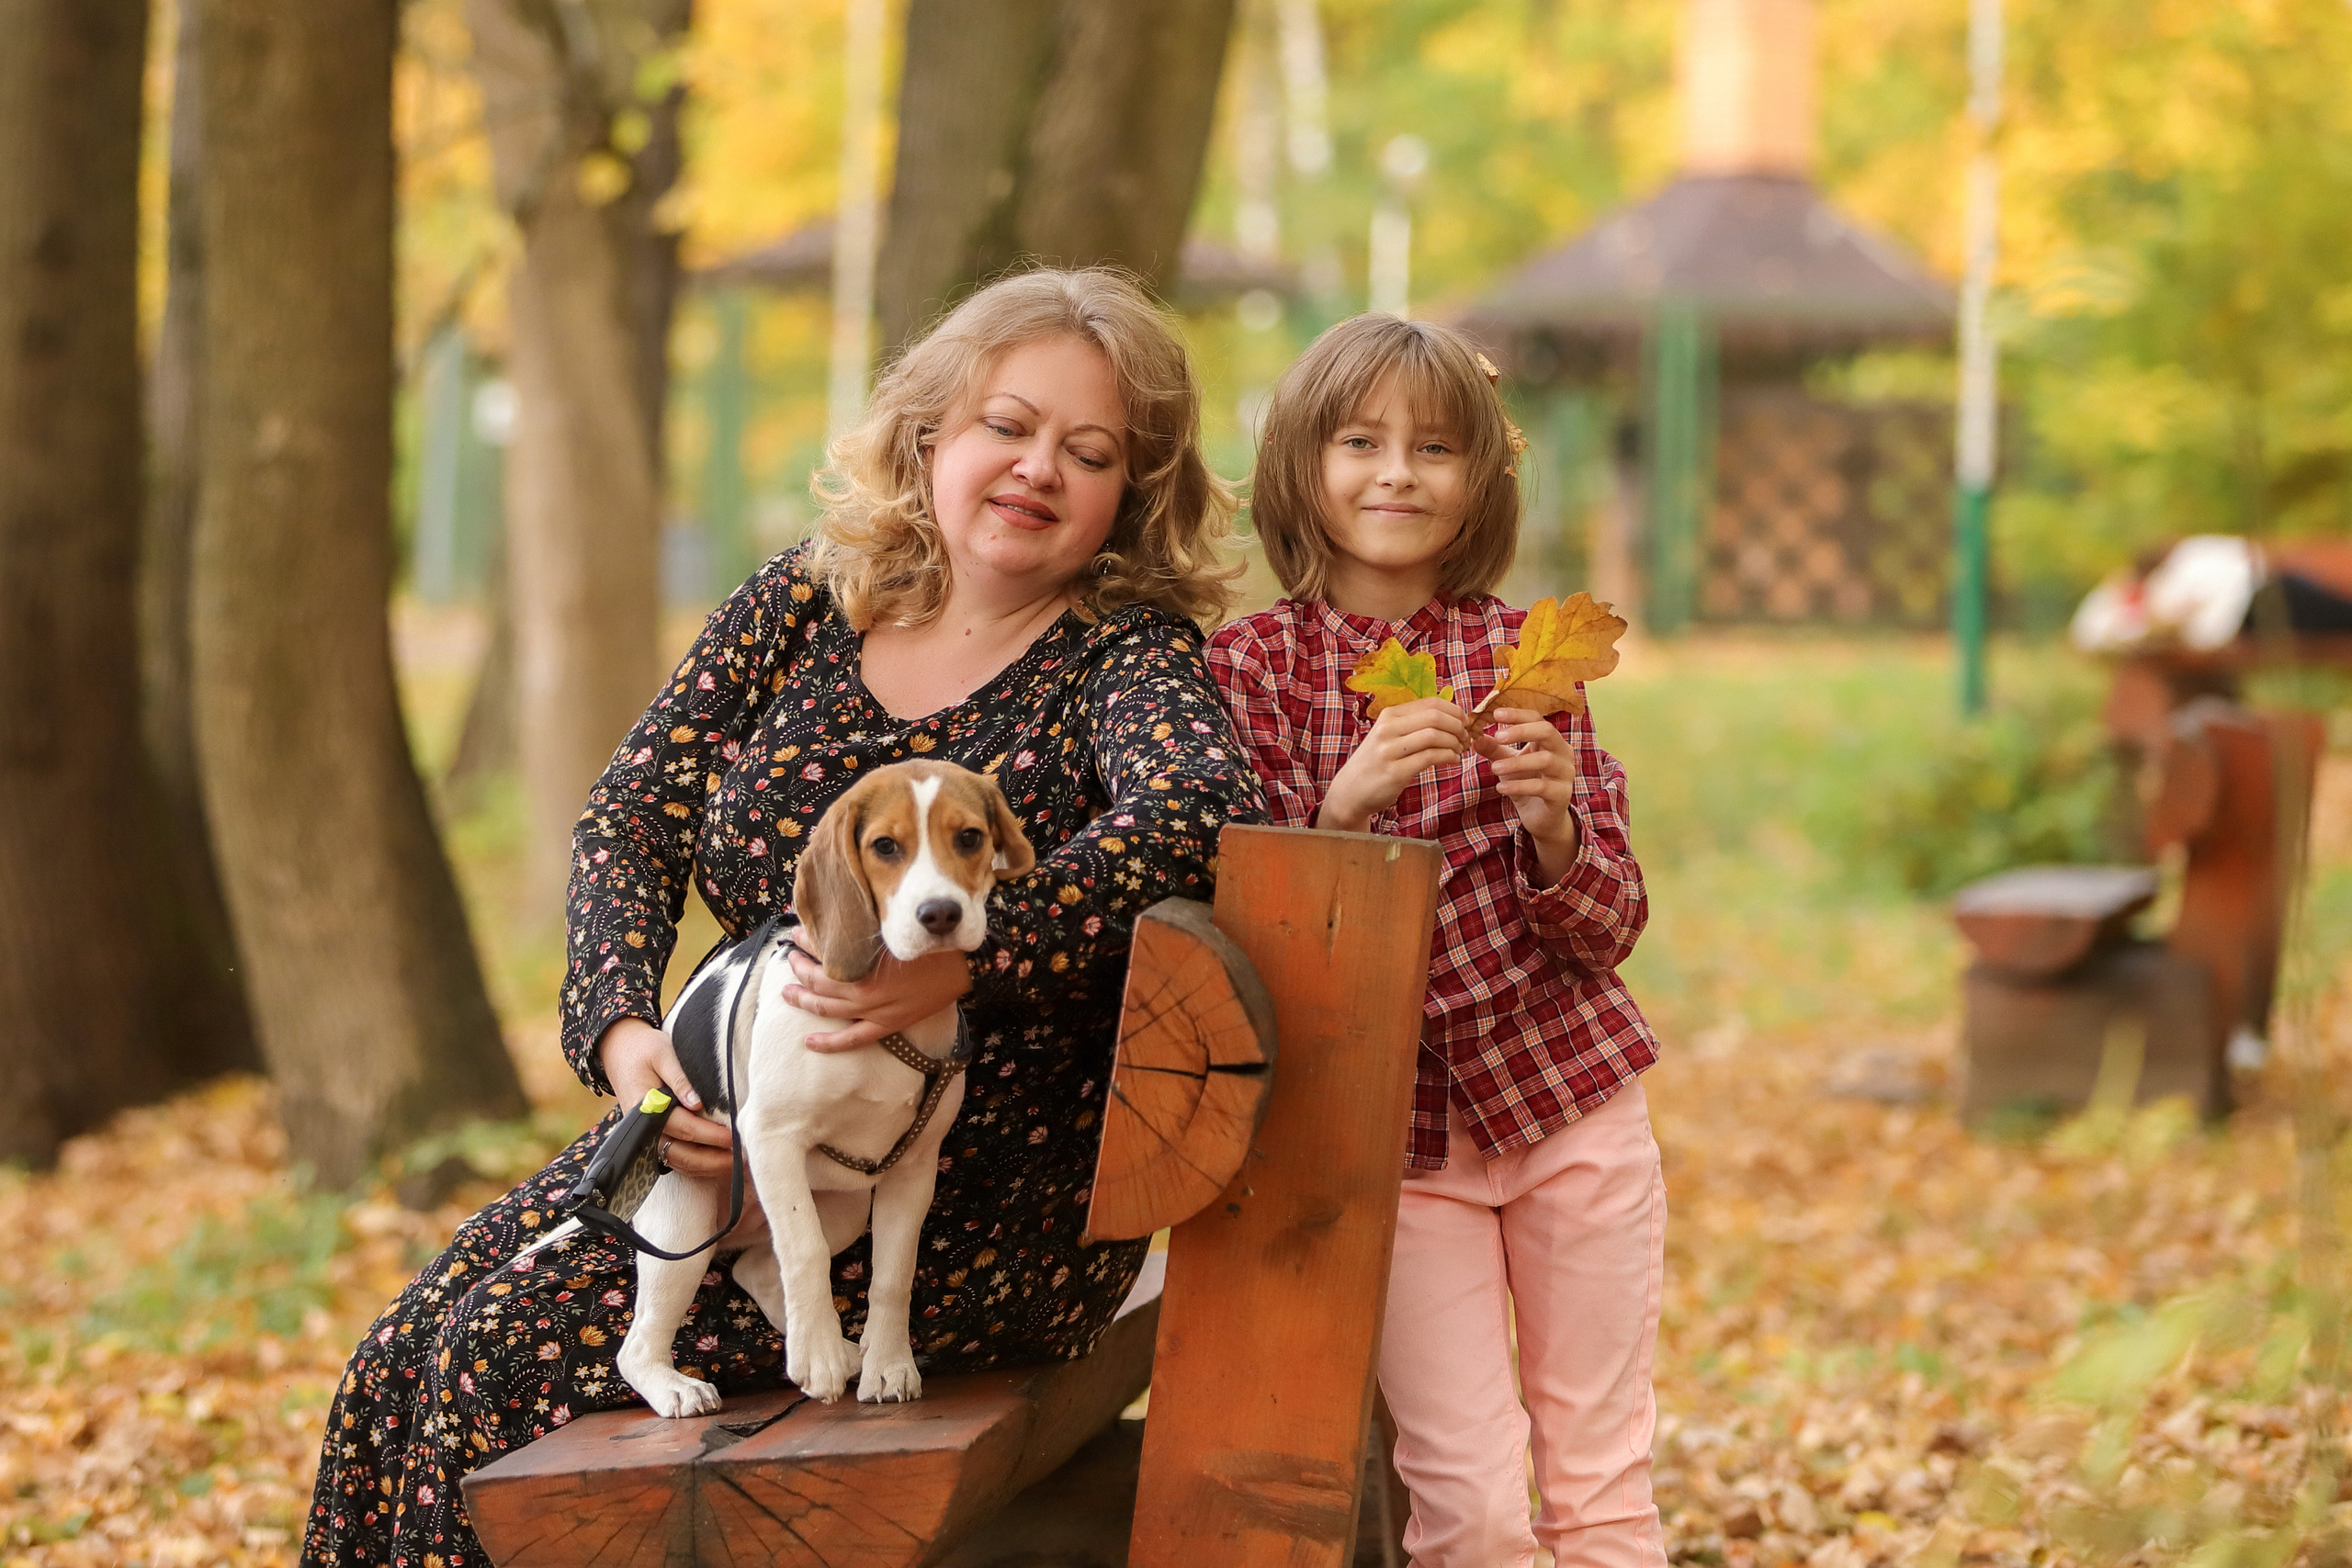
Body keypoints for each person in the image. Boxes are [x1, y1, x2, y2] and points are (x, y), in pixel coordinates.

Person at [302, 266, 1268, 1568]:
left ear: (1129, 494)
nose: (1038, 467)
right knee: (401, 1353)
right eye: (1007, 425)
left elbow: (1197, 810)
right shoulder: (813, 599)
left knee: (493, 1367)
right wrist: (626, 1046)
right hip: (715, 1115)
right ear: (933, 435)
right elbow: (631, 814)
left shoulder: (1123, 655)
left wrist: (968, 964)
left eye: (1088, 452)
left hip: (957, 1197)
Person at [1205, 314, 1665, 1568]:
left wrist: (1558, 827)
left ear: (1480, 486)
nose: (1398, 472)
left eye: (1436, 448)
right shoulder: (1255, 670)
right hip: (1397, 1148)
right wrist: (1342, 810)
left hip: (1571, 1107)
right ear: (1303, 464)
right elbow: (1249, 929)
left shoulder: (1527, 659)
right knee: (1467, 1501)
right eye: (1361, 441)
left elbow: (1609, 929)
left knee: (1603, 1481)